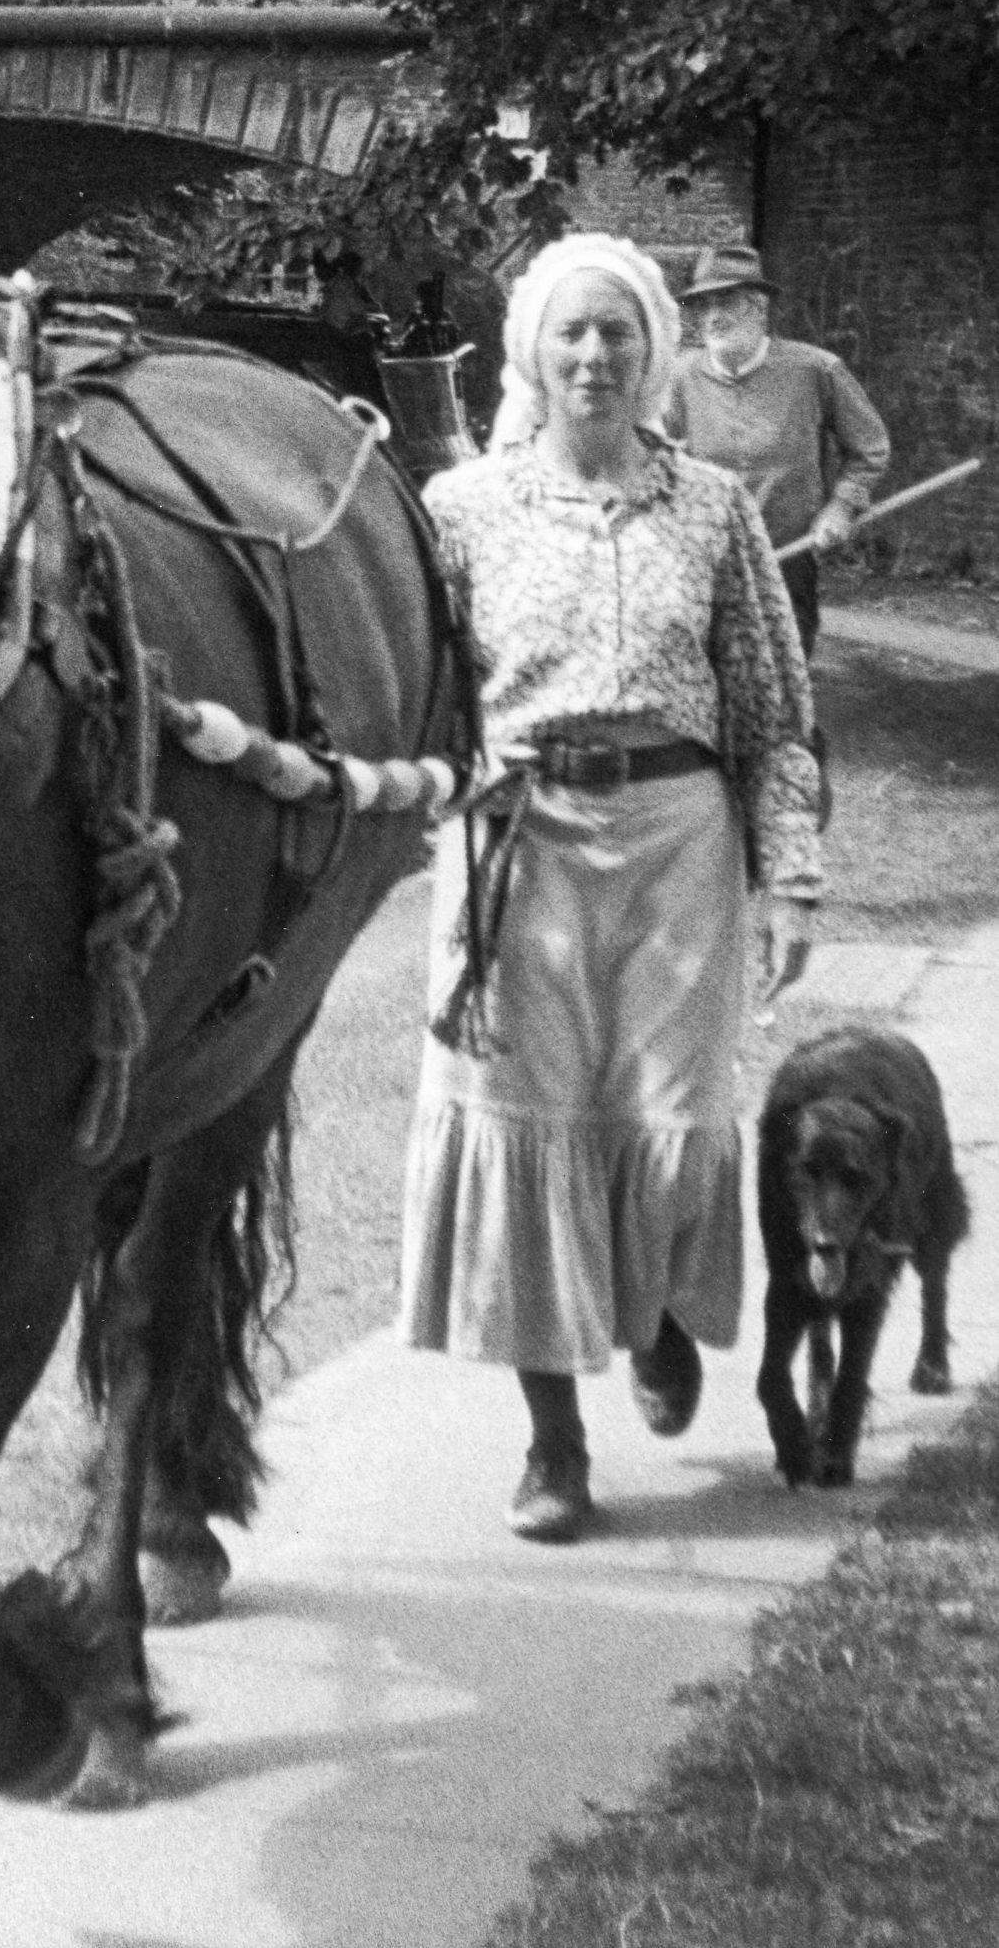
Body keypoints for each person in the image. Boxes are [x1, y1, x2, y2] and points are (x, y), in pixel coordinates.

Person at [400, 232, 824, 1546]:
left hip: (676, 846)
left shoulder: (713, 508)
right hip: (518, 851)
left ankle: (651, 1316)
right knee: (526, 1114)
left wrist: (791, 877)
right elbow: (420, 699)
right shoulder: (461, 508)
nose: (594, 355)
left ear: (653, 353)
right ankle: (554, 1441)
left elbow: (773, 705)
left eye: (618, 333)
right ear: (532, 348)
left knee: (664, 1106)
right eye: (570, 333)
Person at [661, 245, 891, 656]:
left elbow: (869, 449)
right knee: (708, 682)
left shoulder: (815, 371)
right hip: (706, 561)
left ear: (759, 308)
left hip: (787, 559)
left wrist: (840, 506)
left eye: (726, 301)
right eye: (703, 304)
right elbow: (656, 462)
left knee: (788, 674)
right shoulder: (678, 379)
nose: (712, 316)